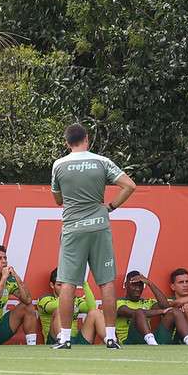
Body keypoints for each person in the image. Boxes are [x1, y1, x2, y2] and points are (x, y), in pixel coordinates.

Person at [50, 123, 137, 350]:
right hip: (99, 225)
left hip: (73, 228)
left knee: (68, 283)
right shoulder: (101, 161)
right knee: (106, 282)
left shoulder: (59, 165)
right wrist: (110, 207)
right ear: (87, 139)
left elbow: (58, 200)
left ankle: (65, 338)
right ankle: (110, 336)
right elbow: (129, 185)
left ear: (67, 142)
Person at [116, 271, 188, 345]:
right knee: (139, 312)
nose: (137, 288)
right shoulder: (119, 302)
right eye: (134, 285)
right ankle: (152, 343)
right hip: (129, 340)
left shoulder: (147, 302)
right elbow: (133, 313)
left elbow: (165, 306)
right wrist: (161, 311)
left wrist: (150, 283)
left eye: (140, 285)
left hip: (149, 339)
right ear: (126, 285)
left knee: (174, 311)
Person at [38, 269, 104, 345]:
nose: (63, 288)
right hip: (54, 340)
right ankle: (62, 342)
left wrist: (84, 283)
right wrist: (67, 295)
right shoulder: (44, 299)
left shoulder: (75, 299)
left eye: (66, 285)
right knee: (60, 309)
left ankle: (110, 341)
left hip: (75, 341)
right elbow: (54, 306)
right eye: (59, 285)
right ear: (52, 285)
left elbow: (92, 308)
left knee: (95, 313)